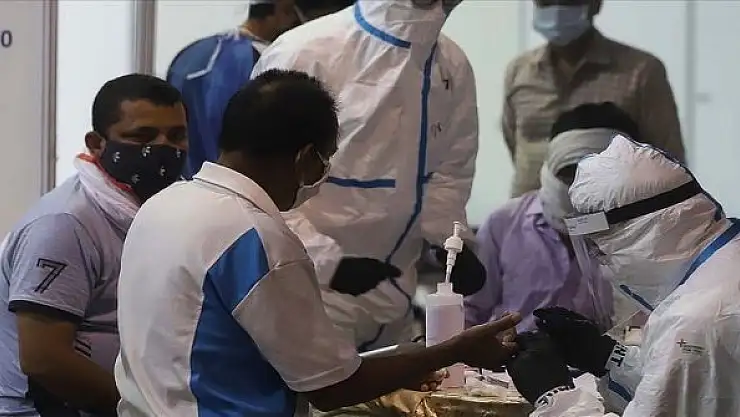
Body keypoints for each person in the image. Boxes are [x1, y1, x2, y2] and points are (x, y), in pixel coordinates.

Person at [114, 69, 521, 417]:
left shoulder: (164, 205)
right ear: (305, 157)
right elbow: (331, 388)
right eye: (325, 159)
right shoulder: (257, 239)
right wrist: (454, 350)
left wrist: (405, 358)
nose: (322, 174)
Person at [251, 0, 486, 351]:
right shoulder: (306, 51)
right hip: (311, 290)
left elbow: (450, 170)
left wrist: (450, 242)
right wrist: (327, 263)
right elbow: (262, 181)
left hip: (396, 296)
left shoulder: (451, 63)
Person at [507, 134, 740, 416]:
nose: (601, 258)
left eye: (602, 244)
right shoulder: (724, 262)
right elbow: (682, 395)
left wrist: (555, 397)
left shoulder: (694, 321)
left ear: (638, 234)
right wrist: (607, 356)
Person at [0, 74, 187, 416]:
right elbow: (43, 359)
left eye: (176, 136)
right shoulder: (65, 225)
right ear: (97, 143)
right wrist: (140, 410)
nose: (163, 149)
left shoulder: (164, 209)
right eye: (142, 136)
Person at [465, 102, 638, 331]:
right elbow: (468, 312)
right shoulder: (503, 226)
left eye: (597, 176)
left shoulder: (642, 238)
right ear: (550, 164)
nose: (579, 186)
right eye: (570, 172)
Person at [502, 0, 686, 198]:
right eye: (545, 2)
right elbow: (514, 141)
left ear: (596, 5)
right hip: (528, 210)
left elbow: (669, 160)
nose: (556, 10)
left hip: (612, 211)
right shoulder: (520, 71)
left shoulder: (640, 71)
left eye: (567, 1)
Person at [167, 0, 354, 178]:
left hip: (188, 183)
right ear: (285, 8)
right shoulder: (273, 60)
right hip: (237, 185)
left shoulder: (190, 56)